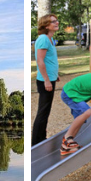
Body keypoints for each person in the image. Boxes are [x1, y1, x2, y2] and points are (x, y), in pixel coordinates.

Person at [31, 14, 61, 146]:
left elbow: (49, 60)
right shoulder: (43, 39)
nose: (57, 23)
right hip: (45, 81)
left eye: (56, 20)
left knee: (46, 110)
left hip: (50, 78)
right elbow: (40, 61)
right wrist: (47, 80)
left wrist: (55, 74)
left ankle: (41, 139)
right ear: (46, 25)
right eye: (53, 21)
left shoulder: (50, 39)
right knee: (43, 112)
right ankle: (36, 142)